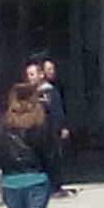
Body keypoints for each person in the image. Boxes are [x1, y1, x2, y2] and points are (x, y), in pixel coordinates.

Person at [26, 54, 69, 195]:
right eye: (28, 75)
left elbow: (57, 111)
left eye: (32, 74)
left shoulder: (50, 92)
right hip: (36, 132)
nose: (30, 78)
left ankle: (54, 186)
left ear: (41, 75)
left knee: (52, 159)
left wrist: (61, 127)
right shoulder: (28, 93)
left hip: (50, 132)